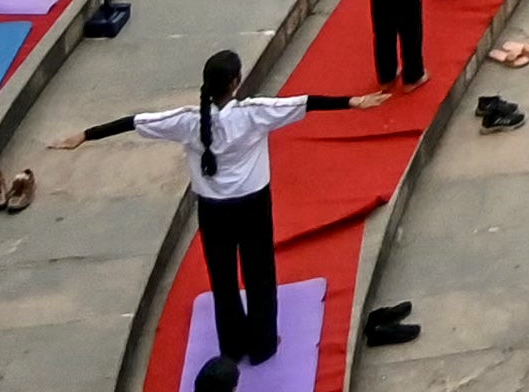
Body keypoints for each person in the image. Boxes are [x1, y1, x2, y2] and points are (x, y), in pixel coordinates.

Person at [62, 53, 396, 364]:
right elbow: (304, 103)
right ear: (235, 83)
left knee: (222, 279)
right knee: (260, 272)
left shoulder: (188, 122)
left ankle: (232, 347)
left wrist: (86, 135)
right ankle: (263, 344)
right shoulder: (253, 113)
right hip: (253, 206)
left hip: (213, 211)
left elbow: (136, 122)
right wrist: (352, 102)